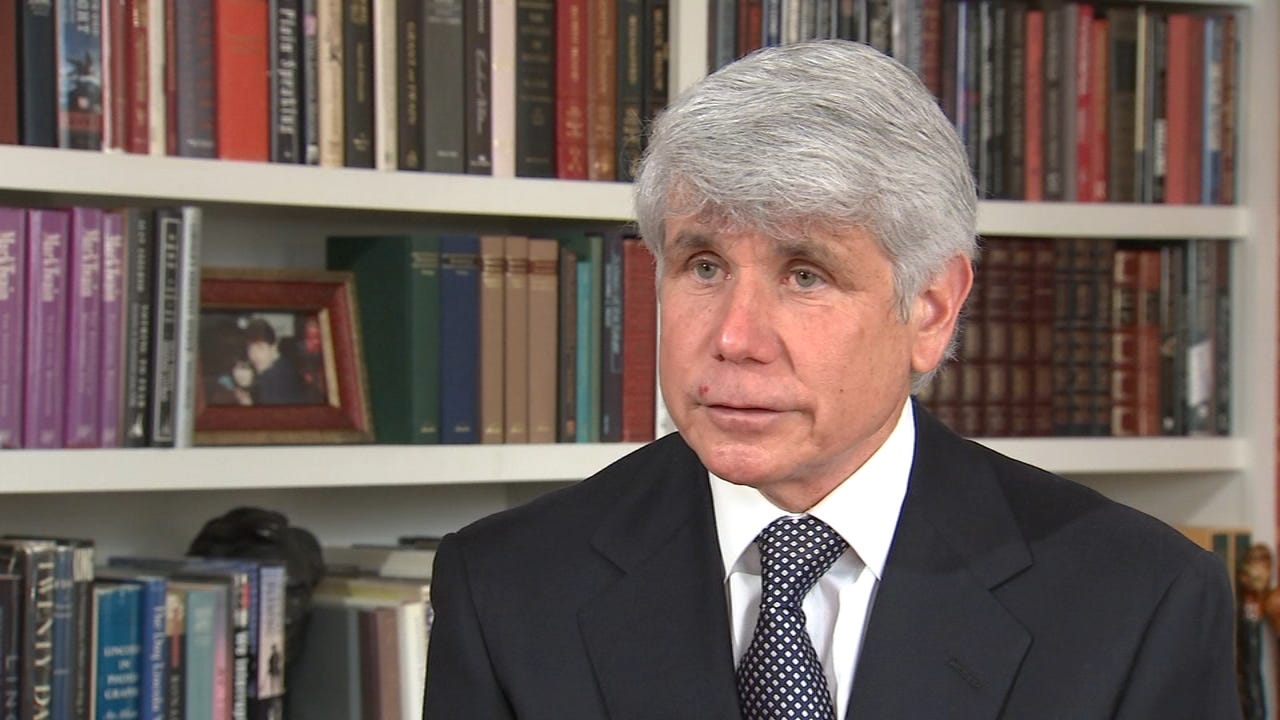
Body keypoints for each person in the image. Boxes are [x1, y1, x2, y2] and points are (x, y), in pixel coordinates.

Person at [422, 40, 1239, 719]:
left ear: (931, 309)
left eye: (805, 275)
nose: (734, 338)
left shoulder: (1140, 600)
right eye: (703, 265)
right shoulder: (504, 588)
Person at [243, 318, 308, 405]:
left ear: (274, 347)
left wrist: (248, 405)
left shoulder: (278, 378)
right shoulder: (282, 365)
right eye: (250, 348)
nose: (253, 355)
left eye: (260, 348)